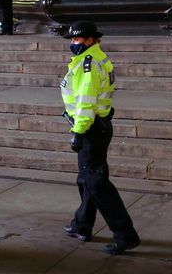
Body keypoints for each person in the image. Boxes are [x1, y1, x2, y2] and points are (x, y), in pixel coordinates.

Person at [60, 20, 141, 255]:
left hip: (90, 129)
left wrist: (78, 132)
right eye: (72, 40)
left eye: (76, 40)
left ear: (89, 40)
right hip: (94, 127)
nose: (73, 43)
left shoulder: (89, 64)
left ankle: (125, 234)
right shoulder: (91, 58)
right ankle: (82, 225)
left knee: (97, 184)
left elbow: (86, 102)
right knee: (86, 179)